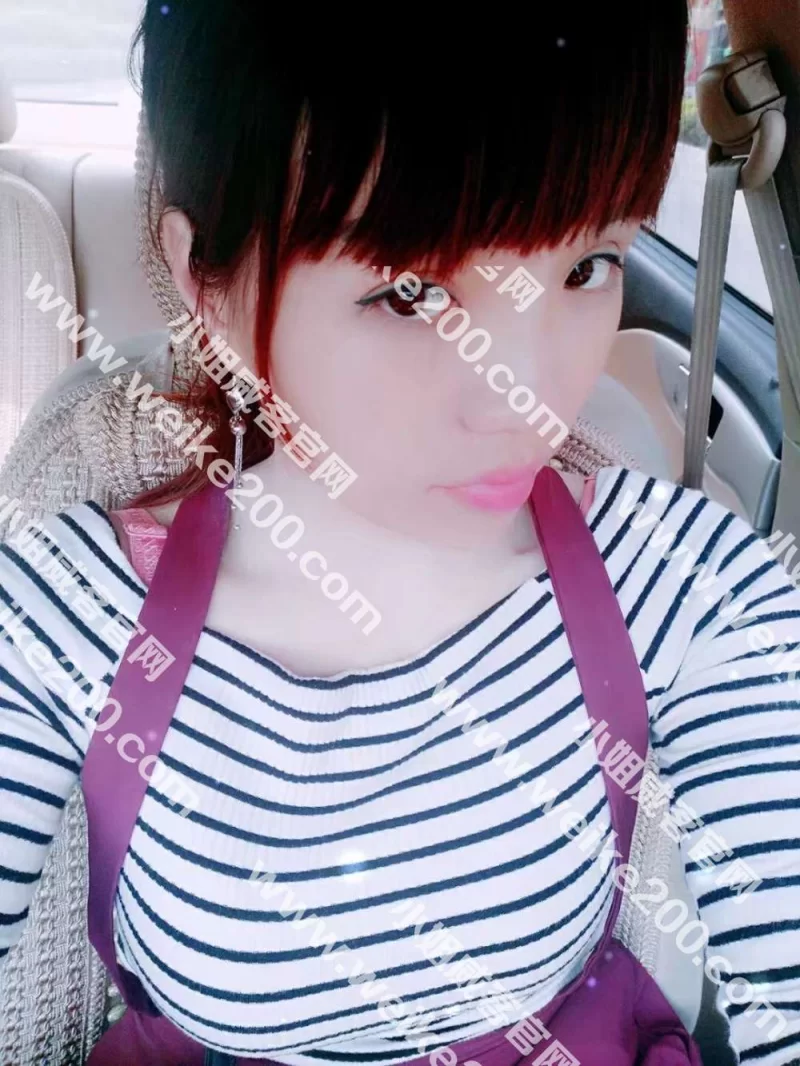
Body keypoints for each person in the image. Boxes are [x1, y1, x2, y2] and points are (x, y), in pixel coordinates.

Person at [1, 4, 799, 1065]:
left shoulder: (689, 584)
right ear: (210, 287)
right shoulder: (61, 613)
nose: (526, 400)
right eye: (411, 293)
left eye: (586, 266)